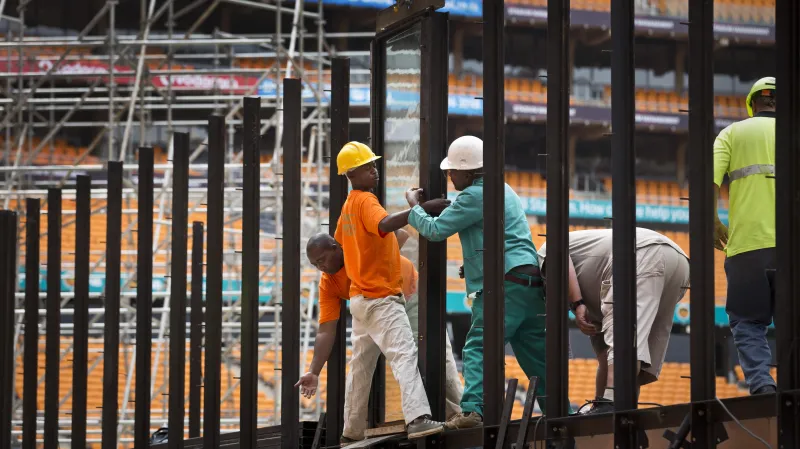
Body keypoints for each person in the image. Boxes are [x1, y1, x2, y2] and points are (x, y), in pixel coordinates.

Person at [405, 135, 548, 429]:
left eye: (452, 171)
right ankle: (559, 410)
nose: (449, 175)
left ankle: (472, 412)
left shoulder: (473, 195)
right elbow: (498, 237)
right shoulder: (504, 190)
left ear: (468, 172)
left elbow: (434, 231)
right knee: (537, 358)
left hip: (503, 285)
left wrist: (413, 208)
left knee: (478, 347)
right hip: (530, 282)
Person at [322, 141, 451, 444]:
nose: (375, 170)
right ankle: (418, 418)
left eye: (374, 164)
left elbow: (351, 245)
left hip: (360, 299)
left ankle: (351, 429)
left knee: (360, 366)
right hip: (380, 298)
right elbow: (383, 224)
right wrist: (419, 209)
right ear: (353, 173)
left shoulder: (347, 208)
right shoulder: (365, 200)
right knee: (404, 354)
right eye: (369, 167)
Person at [295, 231, 464, 423]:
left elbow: (401, 235)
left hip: (409, 292)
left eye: (322, 260)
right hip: (374, 303)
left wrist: (382, 260)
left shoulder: (357, 248)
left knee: (431, 350)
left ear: (336, 247)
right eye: (315, 264)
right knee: (361, 362)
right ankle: (352, 429)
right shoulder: (328, 283)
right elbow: (326, 330)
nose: (321, 267)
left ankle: (457, 413)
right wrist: (314, 371)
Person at [537, 228, 690, 414]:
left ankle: (611, 402)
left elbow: (556, 249)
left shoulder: (541, 256)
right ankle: (615, 406)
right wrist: (597, 410)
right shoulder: (593, 291)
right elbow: (605, 358)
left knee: (624, 336)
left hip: (641, 253)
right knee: (631, 345)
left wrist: (577, 304)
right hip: (679, 264)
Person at [712, 76, 777, 395]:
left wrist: (711, 220)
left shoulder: (732, 133)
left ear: (752, 105)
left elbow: (707, 181)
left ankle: (762, 385)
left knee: (748, 322)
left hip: (746, 249)